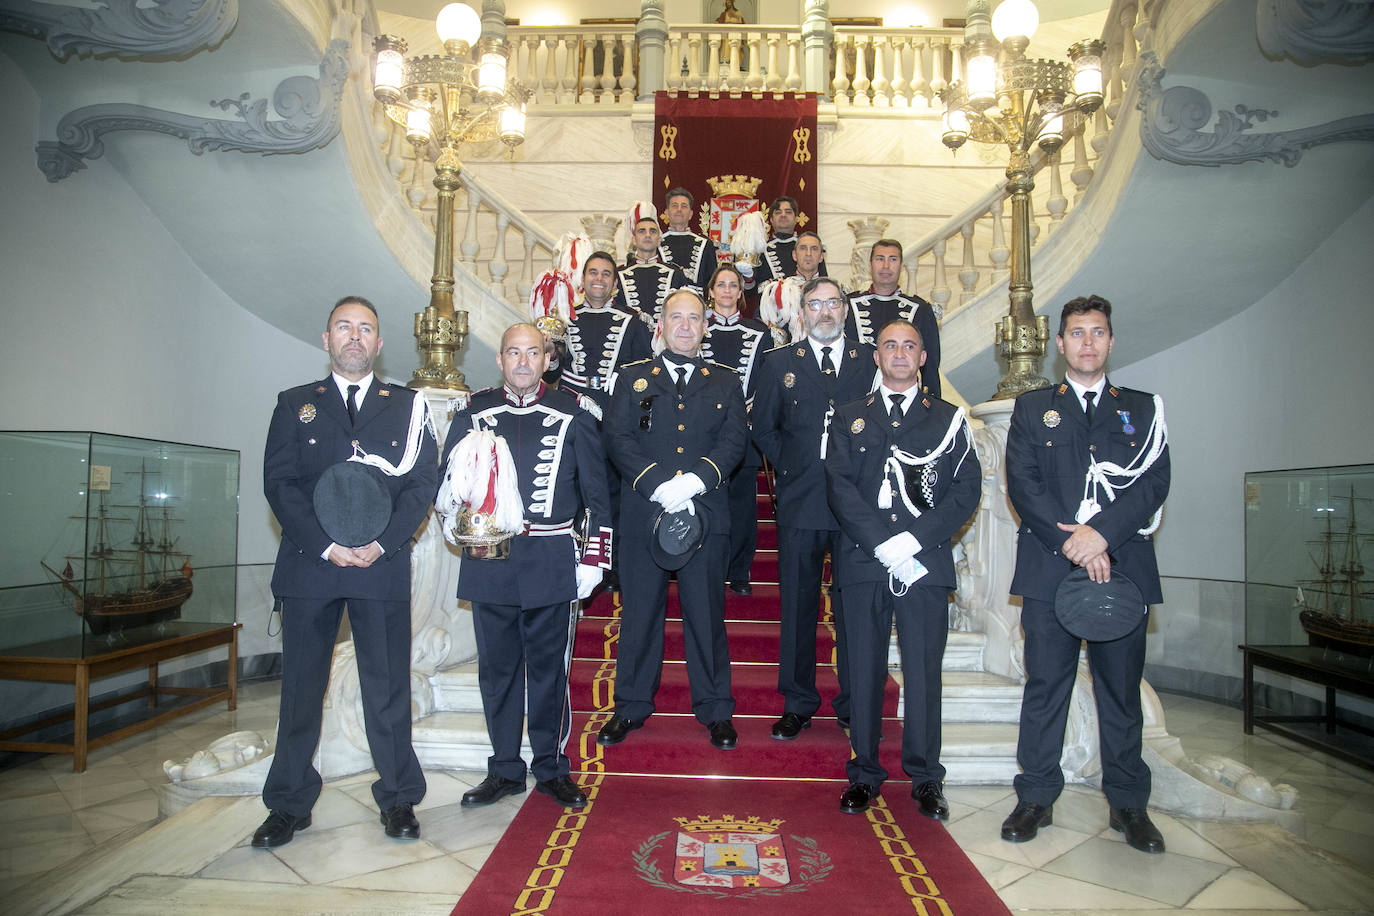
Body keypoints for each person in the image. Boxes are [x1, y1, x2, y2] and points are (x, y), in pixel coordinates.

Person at [255, 296, 438, 848]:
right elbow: (279, 484)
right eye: (344, 327)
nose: (354, 337)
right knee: (300, 690)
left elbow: (422, 482)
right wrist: (326, 545)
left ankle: (399, 797)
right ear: (327, 339)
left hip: (380, 566)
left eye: (365, 329)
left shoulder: (406, 406)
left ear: (380, 345)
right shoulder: (294, 405)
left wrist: (383, 544)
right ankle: (288, 803)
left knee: (386, 688)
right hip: (313, 565)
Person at [1001, 294, 1171, 854]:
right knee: (1046, 686)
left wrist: (1101, 535)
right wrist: (1077, 541)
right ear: (1059, 345)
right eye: (1077, 333)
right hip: (1052, 571)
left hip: (1122, 571)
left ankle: (1128, 805)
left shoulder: (1143, 409)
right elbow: (1024, 485)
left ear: (1111, 341)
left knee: (1120, 693)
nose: (1088, 342)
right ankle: (1036, 798)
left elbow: (1153, 483)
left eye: (1097, 332)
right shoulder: (1032, 408)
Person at [442, 323, 613, 812]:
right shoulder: (472, 413)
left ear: (546, 360)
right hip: (489, 560)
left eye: (532, 353)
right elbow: (447, 485)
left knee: (548, 672)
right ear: (499, 360)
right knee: (497, 672)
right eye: (513, 353)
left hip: (550, 559)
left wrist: (595, 559)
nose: (522, 361)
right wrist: (457, 526)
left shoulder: (574, 413)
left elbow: (599, 495)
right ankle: (502, 769)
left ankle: (550, 767)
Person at [825, 319, 981, 817]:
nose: (898, 353)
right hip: (864, 562)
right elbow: (840, 486)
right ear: (876, 356)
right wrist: (881, 544)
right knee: (864, 670)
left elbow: (965, 491)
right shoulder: (848, 415)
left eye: (908, 346)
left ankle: (926, 777)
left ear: (922, 358)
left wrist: (913, 540)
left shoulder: (949, 419)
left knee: (922, 671)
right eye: (889, 345)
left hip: (925, 563)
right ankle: (865, 773)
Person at [599, 289, 747, 750]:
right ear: (659, 325)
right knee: (640, 615)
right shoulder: (631, 378)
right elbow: (618, 438)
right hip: (646, 515)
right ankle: (630, 708)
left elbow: (734, 441)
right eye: (676, 317)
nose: (685, 326)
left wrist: (694, 483)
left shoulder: (725, 381)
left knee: (706, 615)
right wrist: (659, 486)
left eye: (694, 318)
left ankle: (716, 710)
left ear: (706, 327)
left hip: (705, 514)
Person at [752, 276, 876, 741]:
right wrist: (793, 468)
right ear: (801, 313)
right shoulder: (779, 362)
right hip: (801, 504)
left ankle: (852, 701)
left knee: (854, 608)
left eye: (832, 303)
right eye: (814, 304)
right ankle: (798, 701)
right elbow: (763, 428)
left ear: (845, 310)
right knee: (798, 606)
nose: (824, 312)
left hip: (856, 509)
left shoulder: (871, 361)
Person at [701, 264, 769, 595]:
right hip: (703, 436)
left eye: (733, 285)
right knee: (709, 503)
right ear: (710, 291)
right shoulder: (694, 329)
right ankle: (707, 565)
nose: (727, 290)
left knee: (743, 508)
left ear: (741, 294)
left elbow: (766, 384)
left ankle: (740, 570)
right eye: (721, 284)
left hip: (746, 433)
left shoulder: (759, 332)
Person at [846, 238, 942, 397]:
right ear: (870, 265)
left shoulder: (921, 309)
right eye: (879, 259)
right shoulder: (847, 306)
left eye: (893, 259)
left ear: (901, 266)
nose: (886, 266)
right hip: (854, 401)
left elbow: (930, 369)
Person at [561, 251, 653, 415]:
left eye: (606, 274)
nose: (599, 278)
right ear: (583, 279)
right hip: (571, 400)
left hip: (616, 402)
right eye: (593, 272)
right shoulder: (565, 319)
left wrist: (625, 379)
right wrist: (550, 351)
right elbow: (550, 375)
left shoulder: (632, 321)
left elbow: (644, 368)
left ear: (615, 283)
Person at [617, 203, 688, 323]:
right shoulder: (619, 275)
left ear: (659, 240)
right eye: (642, 231)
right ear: (633, 240)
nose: (648, 235)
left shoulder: (675, 274)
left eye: (653, 231)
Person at [741, 196, 828, 288]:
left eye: (788, 212)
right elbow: (750, 290)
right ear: (771, 219)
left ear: (796, 219)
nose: (783, 215)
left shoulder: (810, 247)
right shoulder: (759, 249)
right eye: (778, 212)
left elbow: (823, 282)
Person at [660, 187, 718, 295]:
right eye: (674, 205)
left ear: (691, 214)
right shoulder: (656, 243)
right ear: (667, 213)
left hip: (698, 305)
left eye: (684, 206)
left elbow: (713, 281)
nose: (679, 209)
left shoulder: (706, 244)